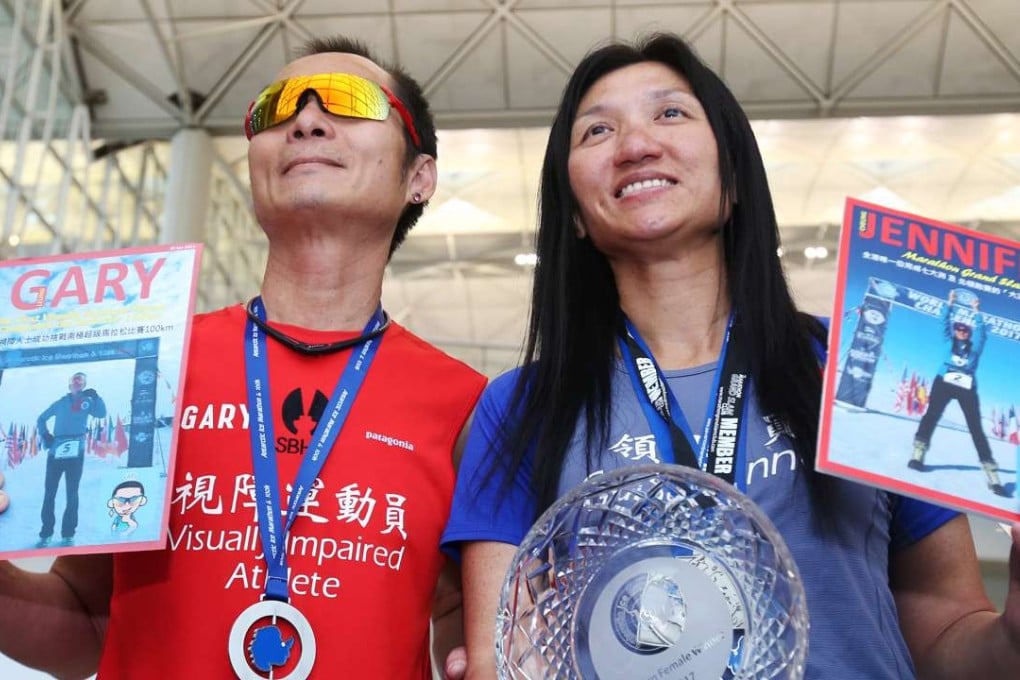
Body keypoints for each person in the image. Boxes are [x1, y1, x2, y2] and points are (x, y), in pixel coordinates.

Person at [441, 33, 1020, 679]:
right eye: (597, 131)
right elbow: (500, 656)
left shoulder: (860, 366)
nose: (636, 145)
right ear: (574, 213)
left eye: (670, 114)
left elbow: (950, 634)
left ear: (735, 173)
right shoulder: (521, 407)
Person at [0, 36, 485, 679]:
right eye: (275, 109)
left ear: (418, 177)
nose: (305, 120)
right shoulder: (154, 363)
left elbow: (464, 630)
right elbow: (85, 622)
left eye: (349, 101)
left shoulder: (468, 406)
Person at [909, 290, 1007, 496]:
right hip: (944, 380)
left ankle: (991, 471)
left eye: (965, 330)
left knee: (975, 427)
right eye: (959, 329)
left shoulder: (975, 348)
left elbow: (982, 333)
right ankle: (918, 452)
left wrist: (977, 311)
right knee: (932, 415)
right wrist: (949, 303)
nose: (962, 331)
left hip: (967, 386)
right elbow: (942, 323)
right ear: (955, 331)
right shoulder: (947, 342)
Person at [35, 370, 107, 547]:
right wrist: (46, 436)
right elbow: (41, 418)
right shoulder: (60, 403)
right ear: (70, 384)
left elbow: (101, 414)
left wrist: (97, 397)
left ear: (84, 384)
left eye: (81, 381)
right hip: (56, 450)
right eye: (75, 380)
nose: (77, 383)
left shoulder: (87, 401)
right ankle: (46, 533)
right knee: (50, 492)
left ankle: (68, 533)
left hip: (77, 449)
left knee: (72, 493)